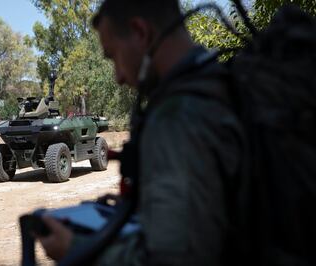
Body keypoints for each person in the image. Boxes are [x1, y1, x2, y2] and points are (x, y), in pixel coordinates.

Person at [35, 0, 244, 265]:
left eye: (113, 56)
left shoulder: (177, 118)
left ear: (140, 32)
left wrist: (75, 248)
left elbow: (172, 260)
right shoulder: (223, 85)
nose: (119, 77)